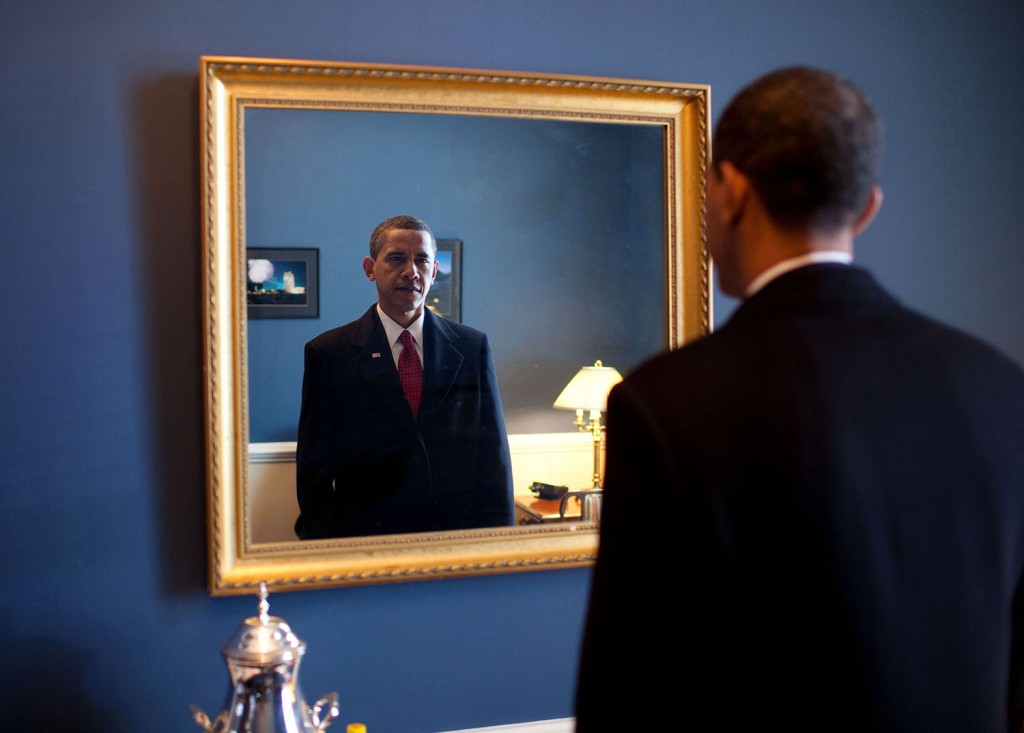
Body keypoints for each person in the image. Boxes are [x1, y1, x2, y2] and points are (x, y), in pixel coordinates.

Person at [574, 67, 1024, 732]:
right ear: (867, 206)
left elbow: (627, 698)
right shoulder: (999, 385)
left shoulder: (664, 404)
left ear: (728, 190)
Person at [294, 215, 514, 539]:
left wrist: (500, 547)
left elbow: (493, 461)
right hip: (366, 544)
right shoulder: (330, 354)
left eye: (422, 260)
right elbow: (314, 475)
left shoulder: (471, 347)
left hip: (458, 543)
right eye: (397, 258)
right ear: (370, 268)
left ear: (434, 271)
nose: (411, 271)